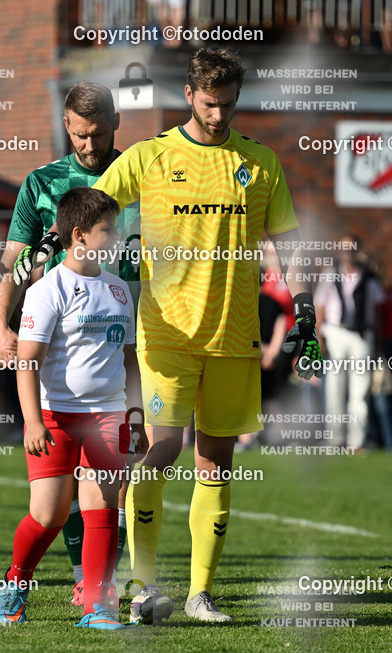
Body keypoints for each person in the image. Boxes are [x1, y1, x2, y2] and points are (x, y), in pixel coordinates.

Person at [92, 47, 320, 623]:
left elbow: (290, 247)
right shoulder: (150, 156)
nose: (219, 116)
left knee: (216, 461)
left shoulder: (261, 164)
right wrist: (53, 252)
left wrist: (307, 311)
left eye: (229, 104)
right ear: (190, 96)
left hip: (235, 335)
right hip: (166, 333)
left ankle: (199, 594)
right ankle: (141, 584)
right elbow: (92, 206)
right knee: (160, 451)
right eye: (210, 104)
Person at [0, 81, 141, 604]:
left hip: (125, 344)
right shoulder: (42, 183)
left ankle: (98, 595)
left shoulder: (143, 178)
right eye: (78, 134)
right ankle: (25, 580)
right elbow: (13, 264)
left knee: (107, 494)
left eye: (97, 134)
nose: (87, 145)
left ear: (116, 123)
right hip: (56, 349)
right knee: (52, 509)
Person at [314, 237, 384, 452]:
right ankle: (335, 440)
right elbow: (320, 307)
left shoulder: (369, 277)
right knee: (334, 388)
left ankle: (356, 441)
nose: (347, 254)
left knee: (359, 390)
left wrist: (378, 345)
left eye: (351, 249)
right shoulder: (330, 274)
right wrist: (318, 337)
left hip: (362, 335)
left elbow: (377, 310)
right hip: (335, 332)